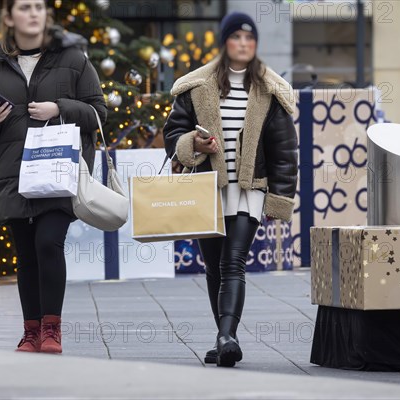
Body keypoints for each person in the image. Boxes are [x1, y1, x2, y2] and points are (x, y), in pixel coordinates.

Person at [0, 0, 106, 354]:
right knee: (26, 254)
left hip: (59, 170)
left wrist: (60, 108)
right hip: (13, 173)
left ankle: (51, 329)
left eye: (39, 7)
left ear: (47, 15)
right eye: (24, 7)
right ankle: (30, 331)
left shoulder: (73, 59)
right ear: (10, 17)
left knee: (48, 242)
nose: (33, 13)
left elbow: (99, 113)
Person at [163, 12, 298, 367]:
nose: (243, 44)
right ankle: (226, 337)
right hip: (208, 188)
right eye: (236, 37)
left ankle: (226, 335)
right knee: (213, 268)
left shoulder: (271, 88)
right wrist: (194, 142)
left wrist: (279, 199)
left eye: (249, 38)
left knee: (233, 262)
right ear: (225, 42)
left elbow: (284, 151)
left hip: (249, 189)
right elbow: (172, 135)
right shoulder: (196, 85)